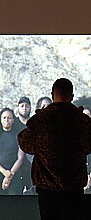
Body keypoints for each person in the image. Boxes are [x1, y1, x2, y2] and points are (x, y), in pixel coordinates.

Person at [18, 78, 91, 220]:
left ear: (52, 95)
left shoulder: (40, 120)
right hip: (74, 188)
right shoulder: (83, 121)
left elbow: (25, 144)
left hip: (47, 189)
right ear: (72, 97)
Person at [0, 108, 25, 195]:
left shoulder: (18, 136)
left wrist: (9, 176)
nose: (7, 120)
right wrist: (4, 172)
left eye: (9, 118)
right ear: (0, 120)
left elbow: (20, 158)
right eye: (4, 118)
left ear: (13, 120)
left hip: (15, 175)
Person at [16, 96, 32, 192]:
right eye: (22, 106)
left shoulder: (33, 123)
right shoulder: (13, 123)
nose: (24, 108)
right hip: (16, 166)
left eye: (27, 106)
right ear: (18, 107)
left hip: (31, 167)